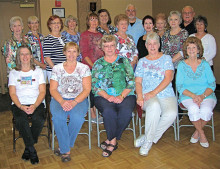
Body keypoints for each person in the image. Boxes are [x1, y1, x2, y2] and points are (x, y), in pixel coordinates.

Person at [92, 35, 136, 157]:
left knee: (126, 112)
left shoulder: (124, 61)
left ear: (115, 46)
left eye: (112, 45)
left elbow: (131, 81)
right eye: (106, 46)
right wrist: (107, 96)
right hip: (103, 96)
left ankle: (111, 139)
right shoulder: (98, 63)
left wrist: (121, 96)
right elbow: (94, 85)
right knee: (108, 112)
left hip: (125, 94)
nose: (109, 48)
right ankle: (113, 142)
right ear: (102, 47)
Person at [134, 32, 177, 156]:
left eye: (155, 44)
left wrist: (154, 92)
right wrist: (140, 96)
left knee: (171, 114)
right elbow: (138, 81)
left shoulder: (166, 58)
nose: (152, 46)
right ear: (146, 46)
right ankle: (148, 142)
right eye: (149, 44)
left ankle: (148, 137)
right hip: (147, 95)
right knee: (154, 107)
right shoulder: (142, 61)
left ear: (159, 45)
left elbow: (168, 78)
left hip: (166, 93)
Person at [50, 42, 91, 162]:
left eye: (74, 51)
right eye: (69, 51)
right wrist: (62, 101)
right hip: (59, 99)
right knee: (58, 118)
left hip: (79, 99)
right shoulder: (57, 68)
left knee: (78, 118)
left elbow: (87, 89)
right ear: (64, 52)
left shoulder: (84, 68)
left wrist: (74, 102)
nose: (71, 54)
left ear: (78, 53)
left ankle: (63, 147)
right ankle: (66, 150)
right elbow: (52, 89)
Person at [176, 37, 216, 148]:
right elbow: (180, 86)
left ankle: (197, 132)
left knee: (206, 110)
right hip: (187, 96)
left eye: (194, 47)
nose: (191, 50)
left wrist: (202, 96)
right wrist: (194, 96)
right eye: (189, 47)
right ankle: (202, 134)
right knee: (193, 109)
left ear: (199, 50)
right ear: (185, 50)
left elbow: (212, 84)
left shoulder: (205, 64)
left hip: (206, 95)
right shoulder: (181, 65)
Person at [8, 45, 46, 164]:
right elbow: (12, 93)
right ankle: (32, 150)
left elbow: (42, 91)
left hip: (37, 102)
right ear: (18, 57)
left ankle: (28, 148)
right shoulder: (13, 73)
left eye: (27, 54)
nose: (25, 56)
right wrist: (21, 106)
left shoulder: (38, 71)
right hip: (19, 103)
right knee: (21, 121)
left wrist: (34, 105)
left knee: (39, 120)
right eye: (22, 54)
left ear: (31, 56)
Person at [79, 12, 104, 123]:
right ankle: (91, 113)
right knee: (89, 91)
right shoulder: (84, 35)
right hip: (89, 67)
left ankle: (96, 111)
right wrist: (94, 67)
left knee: (97, 90)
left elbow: (104, 52)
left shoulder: (101, 35)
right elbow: (84, 54)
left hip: (100, 67)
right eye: (91, 19)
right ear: (88, 22)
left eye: (95, 19)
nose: (94, 22)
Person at [43, 15, 67, 82]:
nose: (56, 25)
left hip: (65, 70)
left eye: (58, 23)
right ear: (50, 25)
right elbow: (47, 57)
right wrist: (56, 70)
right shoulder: (48, 39)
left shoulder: (64, 38)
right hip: (53, 71)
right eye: (54, 23)